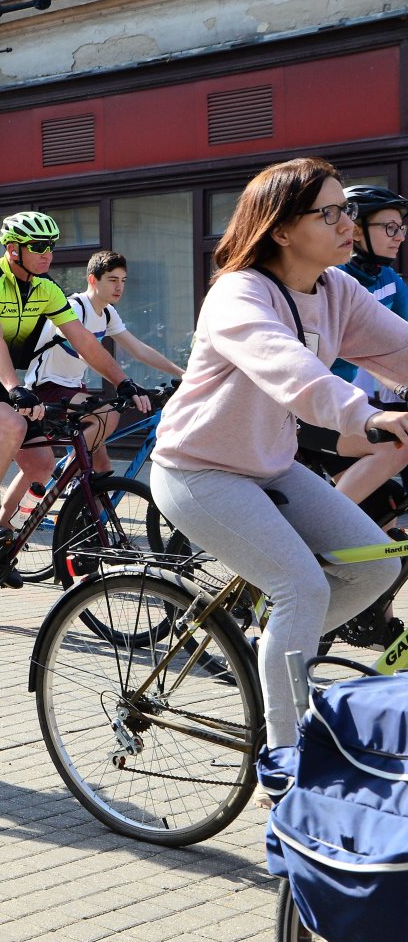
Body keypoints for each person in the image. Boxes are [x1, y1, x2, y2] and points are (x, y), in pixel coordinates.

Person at [153, 159, 408, 764]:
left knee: (373, 570)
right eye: (331, 212)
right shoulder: (240, 293)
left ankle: (278, 652)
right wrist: (365, 414)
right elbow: (289, 371)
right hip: (199, 470)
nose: (349, 222)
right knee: (301, 585)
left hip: (270, 465)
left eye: (347, 209)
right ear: (283, 229)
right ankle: (285, 759)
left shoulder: (335, 289)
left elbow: (400, 347)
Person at [0, 211, 148, 547]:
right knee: (11, 427)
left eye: (51, 247)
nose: (48, 254)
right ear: (14, 249)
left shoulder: (46, 289)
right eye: (39, 246)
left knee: (42, 465)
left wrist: (122, 381)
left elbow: (84, 340)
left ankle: (3, 541)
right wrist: (17, 389)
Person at [17, 249, 185, 481]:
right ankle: (66, 474)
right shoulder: (74, 307)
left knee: (103, 469)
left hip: (74, 387)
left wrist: (182, 373)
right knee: (107, 416)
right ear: (93, 279)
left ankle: (84, 508)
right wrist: (123, 382)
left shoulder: (106, 313)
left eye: (123, 281)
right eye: (112, 280)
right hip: (47, 386)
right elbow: (84, 353)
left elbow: (138, 349)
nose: (119, 287)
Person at [310, 186, 408, 511]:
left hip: (348, 402)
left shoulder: (389, 278)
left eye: (402, 228)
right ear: (357, 230)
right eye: (390, 228)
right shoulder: (333, 279)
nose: (399, 237)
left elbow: (398, 346)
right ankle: (319, 528)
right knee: (399, 444)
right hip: (310, 406)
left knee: (383, 516)